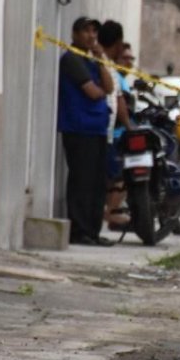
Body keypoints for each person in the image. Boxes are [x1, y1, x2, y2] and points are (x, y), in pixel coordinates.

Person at [57, 17, 116, 246]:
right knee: (82, 181)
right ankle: (80, 230)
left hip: (97, 130)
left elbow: (108, 87)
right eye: (86, 31)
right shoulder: (71, 59)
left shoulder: (91, 60)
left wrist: (101, 57)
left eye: (94, 32)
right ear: (75, 34)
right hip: (79, 129)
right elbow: (93, 92)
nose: (91, 36)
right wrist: (100, 90)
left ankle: (92, 230)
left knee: (96, 183)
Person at [98, 21, 133, 229]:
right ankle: (109, 213)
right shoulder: (102, 62)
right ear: (118, 43)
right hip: (101, 130)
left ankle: (106, 214)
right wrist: (129, 126)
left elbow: (119, 99)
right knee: (117, 175)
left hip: (107, 131)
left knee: (112, 175)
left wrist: (129, 125)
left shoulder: (109, 64)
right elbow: (117, 97)